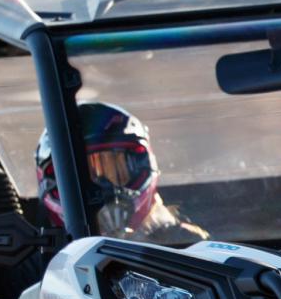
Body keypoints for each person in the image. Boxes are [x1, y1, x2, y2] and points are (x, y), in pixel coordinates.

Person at [35, 101, 201, 242]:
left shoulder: (184, 244)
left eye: (115, 170)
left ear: (143, 167)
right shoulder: (38, 260)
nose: (104, 187)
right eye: (84, 178)